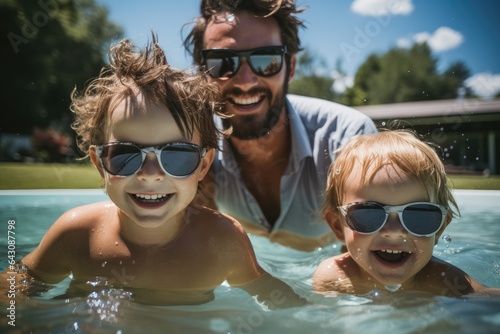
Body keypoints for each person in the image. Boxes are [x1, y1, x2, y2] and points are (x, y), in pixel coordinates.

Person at [3, 34, 305, 307]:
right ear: (99, 164)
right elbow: (16, 288)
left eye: (176, 156)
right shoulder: (77, 235)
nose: (150, 173)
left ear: (203, 165)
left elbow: (272, 297)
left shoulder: (222, 240)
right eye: (124, 156)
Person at [183, 0, 378, 251]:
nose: (245, 81)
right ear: (202, 74)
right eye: (222, 62)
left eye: (266, 60)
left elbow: (370, 259)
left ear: (291, 67)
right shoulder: (196, 143)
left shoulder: (346, 138)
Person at [313, 130, 500, 296]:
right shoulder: (333, 277)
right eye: (368, 215)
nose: (394, 231)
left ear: (439, 229)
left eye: (419, 216)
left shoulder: (442, 282)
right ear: (338, 226)